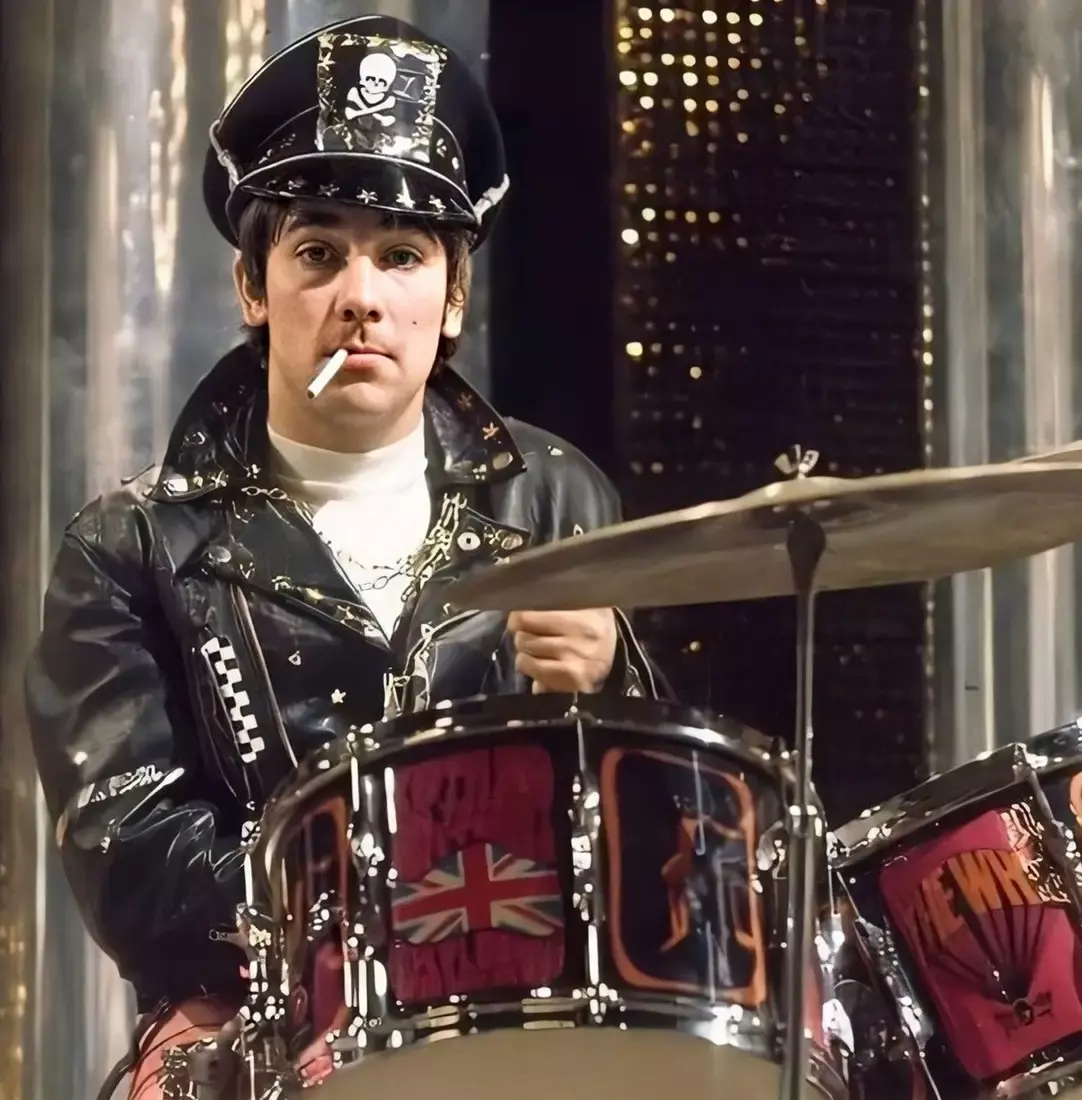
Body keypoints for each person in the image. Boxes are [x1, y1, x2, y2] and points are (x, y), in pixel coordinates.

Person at [24, 14, 663, 1099]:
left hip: (524, 1001)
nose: (361, 296)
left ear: (452, 299)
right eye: (318, 253)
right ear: (253, 287)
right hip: (258, 1028)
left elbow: (655, 834)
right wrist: (379, 900)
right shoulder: (130, 542)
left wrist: (610, 685)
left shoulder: (557, 495)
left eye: (402, 256)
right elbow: (132, 866)